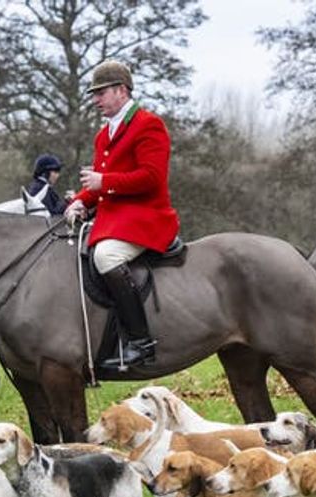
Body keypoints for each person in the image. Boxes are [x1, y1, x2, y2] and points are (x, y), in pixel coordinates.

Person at [64, 60, 180, 369]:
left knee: (106, 257)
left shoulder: (148, 124)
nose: (95, 100)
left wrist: (104, 183)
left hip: (147, 217)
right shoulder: (104, 135)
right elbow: (99, 184)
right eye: (94, 94)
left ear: (121, 90)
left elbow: (152, 177)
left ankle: (141, 342)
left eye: (101, 93)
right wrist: (79, 201)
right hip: (115, 216)